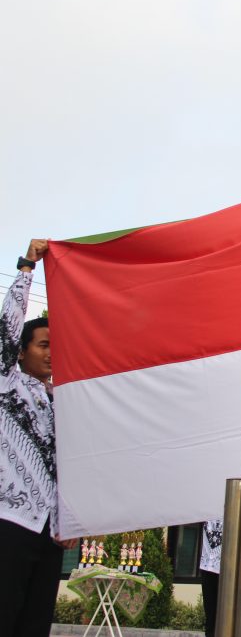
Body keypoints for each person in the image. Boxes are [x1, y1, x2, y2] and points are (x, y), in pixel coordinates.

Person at [0, 240, 78, 637]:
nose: (51, 354)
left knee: (34, 624)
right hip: (9, 522)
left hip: (49, 532)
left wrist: (71, 519)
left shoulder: (62, 400)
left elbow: (72, 464)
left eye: (56, 347)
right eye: (44, 345)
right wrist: (27, 268)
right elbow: (7, 329)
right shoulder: (7, 384)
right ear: (20, 352)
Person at [199, 519, 223, 637]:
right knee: (210, 614)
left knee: (224, 613)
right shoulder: (206, 511)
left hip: (225, 569)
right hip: (207, 566)